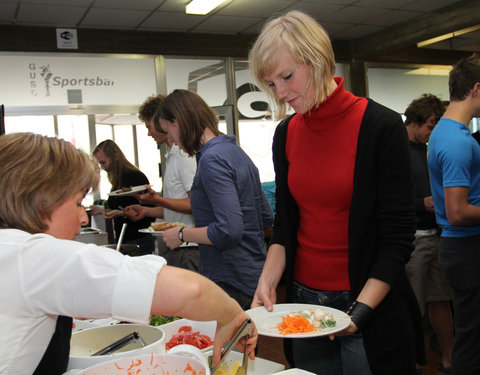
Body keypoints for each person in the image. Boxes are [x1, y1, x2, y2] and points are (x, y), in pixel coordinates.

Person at [248, 10, 424, 375]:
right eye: (271, 84)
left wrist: (359, 312)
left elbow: (397, 238)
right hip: (303, 304)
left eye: (287, 77)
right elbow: (285, 225)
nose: (280, 94)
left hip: (368, 304)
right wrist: (266, 282)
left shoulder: (380, 126)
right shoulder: (287, 133)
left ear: (317, 59)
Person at [0, 132, 257, 375]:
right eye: (78, 203)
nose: (82, 217)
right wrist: (232, 316)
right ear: (42, 200)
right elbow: (192, 291)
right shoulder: (32, 256)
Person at [156, 89, 273, 310]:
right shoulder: (234, 151)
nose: (170, 140)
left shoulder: (212, 159)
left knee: (232, 345)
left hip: (230, 278)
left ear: (179, 121)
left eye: (168, 131)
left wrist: (181, 234)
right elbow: (265, 216)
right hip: (252, 271)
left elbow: (228, 231)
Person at [427, 53, 480, 375]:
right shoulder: (458, 141)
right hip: (465, 246)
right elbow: (458, 212)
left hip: (460, 247)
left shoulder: (445, 132)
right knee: (472, 340)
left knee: (471, 334)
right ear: (476, 88)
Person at [404, 94, 453, 373]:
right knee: (413, 308)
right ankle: (411, 365)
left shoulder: (429, 149)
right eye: (430, 126)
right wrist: (419, 203)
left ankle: (450, 359)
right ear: (416, 120)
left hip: (436, 235)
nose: (431, 133)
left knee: (441, 301)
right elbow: (385, 198)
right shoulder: (396, 148)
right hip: (412, 240)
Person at [126, 94, 199, 271]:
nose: (149, 133)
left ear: (162, 122)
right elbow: (175, 209)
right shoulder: (173, 156)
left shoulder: (184, 156)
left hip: (188, 248)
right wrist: (147, 211)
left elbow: (195, 204)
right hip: (176, 245)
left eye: (149, 126)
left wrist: (158, 200)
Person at [91, 139, 154, 255]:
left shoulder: (136, 177)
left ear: (115, 156)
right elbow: (120, 207)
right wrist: (101, 211)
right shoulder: (117, 180)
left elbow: (148, 213)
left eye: (103, 162)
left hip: (138, 239)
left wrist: (122, 214)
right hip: (123, 237)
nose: (103, 167)